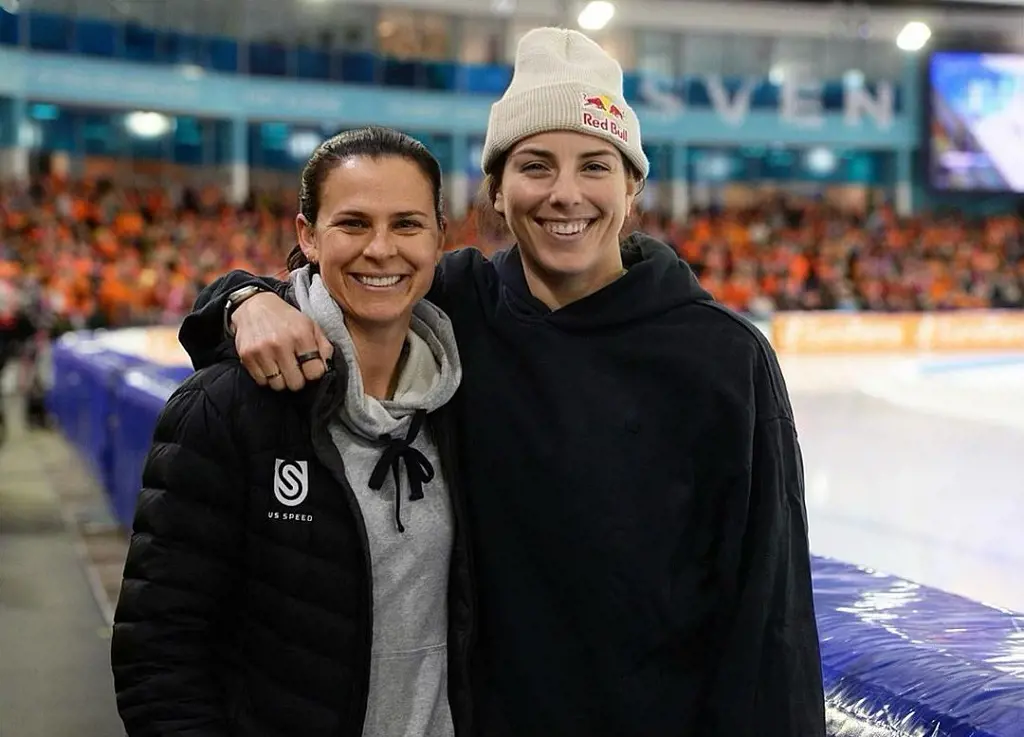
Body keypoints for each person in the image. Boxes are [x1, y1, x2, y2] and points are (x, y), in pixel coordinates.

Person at [179, 28, 826, 737]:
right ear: (496, 187)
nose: (565, 194)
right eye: (536, 166)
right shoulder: (458, 306)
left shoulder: (725, 360)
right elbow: (328, 289)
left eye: (595, 167)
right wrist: (243, 301)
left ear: (633, 186)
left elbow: (771, 617)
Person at [110, 127, 475, 737]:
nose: (382, 249)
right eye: (353, 223)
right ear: (307, 236)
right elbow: (159, 657)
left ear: (440, 237)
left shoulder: (468, 401)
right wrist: (241, 297)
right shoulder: (224, 408)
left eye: (407, 224)